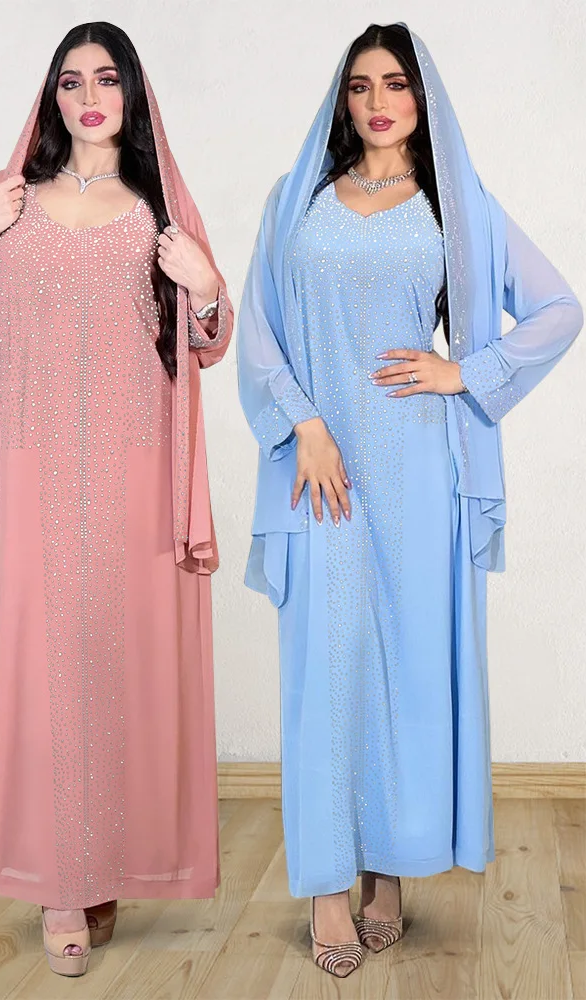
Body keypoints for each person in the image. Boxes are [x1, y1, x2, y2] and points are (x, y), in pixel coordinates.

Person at [237, 22, 581, 979]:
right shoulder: (294, 201)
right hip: (319, 469)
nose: (377, 102)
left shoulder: (457, 208)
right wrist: (305, 424)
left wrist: (463, 370)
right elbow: (259, 329)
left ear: (422, 98)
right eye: (360, 86)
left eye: (395, 84)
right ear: (341, 100)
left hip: (420, 469)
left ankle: (387, 868)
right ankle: (326, 889)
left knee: (409, 670)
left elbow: (560, 308)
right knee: (326, 667)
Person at [0, 21, 232, 978]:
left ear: (132, 94)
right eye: (72, 81)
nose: (90, 96)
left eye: (107, 79)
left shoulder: (157, 207)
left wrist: (206, 286)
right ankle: (61, 884)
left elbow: (209, 338)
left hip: (133, 470)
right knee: (48, 672)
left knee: (119, 668)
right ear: (52, 97)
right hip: (33, 470)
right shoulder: (10, 200)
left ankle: (109, 866)